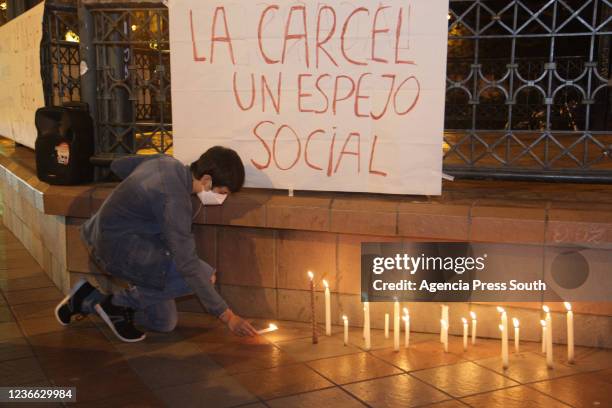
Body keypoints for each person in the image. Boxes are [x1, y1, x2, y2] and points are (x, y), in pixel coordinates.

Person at [54, 146, 258, 342]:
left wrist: (136, 203)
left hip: (112, 237)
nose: (221, 198)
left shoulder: (165, 161)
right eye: (222, 192)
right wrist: (228, 316)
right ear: (206, 180)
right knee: (204, 275)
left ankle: (89, 300)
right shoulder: (175, 200)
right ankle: (116, 304)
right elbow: (188, 264)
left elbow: (119, 165)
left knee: (163, 322)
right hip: (116, 249)